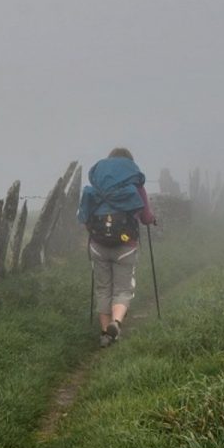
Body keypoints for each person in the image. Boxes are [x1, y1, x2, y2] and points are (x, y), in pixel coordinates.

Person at [77, 147, 155, 347]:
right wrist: (152, 219)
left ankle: (105, 333)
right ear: (129, 164)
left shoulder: (95, 186)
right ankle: (116, 322)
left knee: (103, 288)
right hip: (126, 244)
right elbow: (146, 217)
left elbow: (84, 219)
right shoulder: (135, 185)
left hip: (98, 244)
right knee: (122, 289)